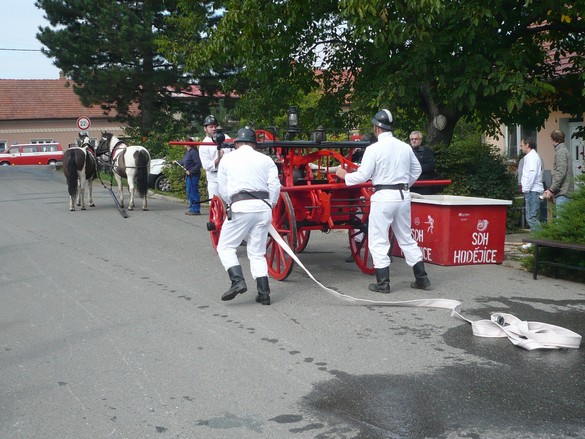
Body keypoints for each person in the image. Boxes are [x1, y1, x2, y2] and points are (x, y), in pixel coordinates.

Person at [335, 109, 431, 293]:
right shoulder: (404, 147)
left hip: (383, 197)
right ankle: (422, 278)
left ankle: (383, 283)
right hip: (402, 196)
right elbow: (416, 170)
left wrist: (344, 175)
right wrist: (405, 184)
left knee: (378, 238)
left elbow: (363, 175)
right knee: (405, 237)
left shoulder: (373, 149)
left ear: (377, 128)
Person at [216, 127, 281, 305]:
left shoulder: (227, 159)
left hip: (241, 206)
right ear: (254, 144)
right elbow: (275, 186)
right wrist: (271, 205)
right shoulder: (266, 160)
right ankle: (264, 293)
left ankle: (237, 281)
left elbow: (223, 189)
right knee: (258, 252)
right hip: (263, 208)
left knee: (226, 247)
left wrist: (232, 202)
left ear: (236, 143)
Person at [199, 115, 232, 199]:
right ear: (205, 128)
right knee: (216, 203)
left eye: (215, 126)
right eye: (211, 127)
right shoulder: (203, 145)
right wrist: (219, 158)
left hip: (228, 176)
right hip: (214, 179)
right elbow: (207, 166)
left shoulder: (226, 137)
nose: (214, 129)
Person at [541, 129, 574, 214]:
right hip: (565, 192)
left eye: (552, 140)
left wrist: (551, 190)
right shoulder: (564, 151)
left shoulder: (561, 152)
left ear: (554, 140)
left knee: (561, 224)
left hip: (563, 193)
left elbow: (561, 173)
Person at [519, 137, 544, 232]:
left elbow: (532, 174)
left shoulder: (532, 157)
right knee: (532, 217)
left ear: (527, 145)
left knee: (531, 217)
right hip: (532, 190)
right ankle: (536, 240)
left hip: (532, 191)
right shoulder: (531, 157)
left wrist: (526, 188)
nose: (521, 148)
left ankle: (539, 240)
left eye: (522, 145)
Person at [177, 141, 202, 215]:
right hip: (189, 175)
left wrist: (191, 171)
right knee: (189, 191)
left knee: (193, 191)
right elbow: (185, 162)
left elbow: (198, 164)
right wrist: (177, 162)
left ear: (187, 144)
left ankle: (195, 209)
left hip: (193, 175)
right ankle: (192, 207)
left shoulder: (193, 152)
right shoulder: (188, 152)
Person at [409, 131, 437, 195]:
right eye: (412, 139)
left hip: (424, 185)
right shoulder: (408, 151)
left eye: (416, 139)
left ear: (420, 140)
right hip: (411, 185)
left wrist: (416, 169)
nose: (414, 141)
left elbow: (431, 166)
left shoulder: (427, 151)